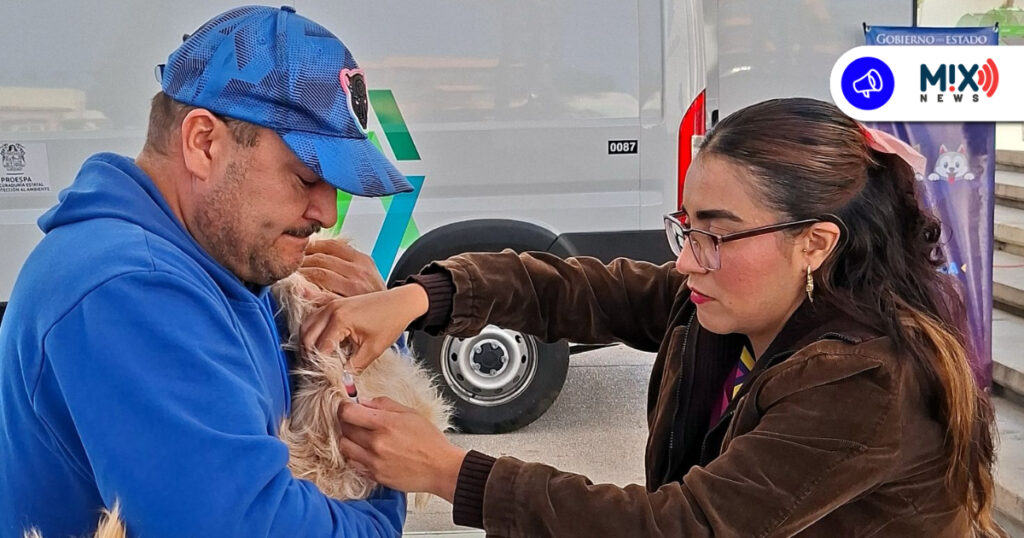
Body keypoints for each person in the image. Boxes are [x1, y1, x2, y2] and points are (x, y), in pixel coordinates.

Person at [302, 98, 1005, 537]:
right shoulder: (728, 307)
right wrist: (420, 298)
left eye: (717, 233)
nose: (686, 261)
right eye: (686, 226)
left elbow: (686, 526)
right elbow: (576, 291)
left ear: (814, 244)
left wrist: (452, 473)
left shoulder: (866, 381)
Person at [0, 6, 412, 537]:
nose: (327, 213)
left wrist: (369, 342)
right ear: (203, 143)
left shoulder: (223, 261)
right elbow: (253, 526)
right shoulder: (127, 288)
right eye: (307, 177)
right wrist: (380, 504)